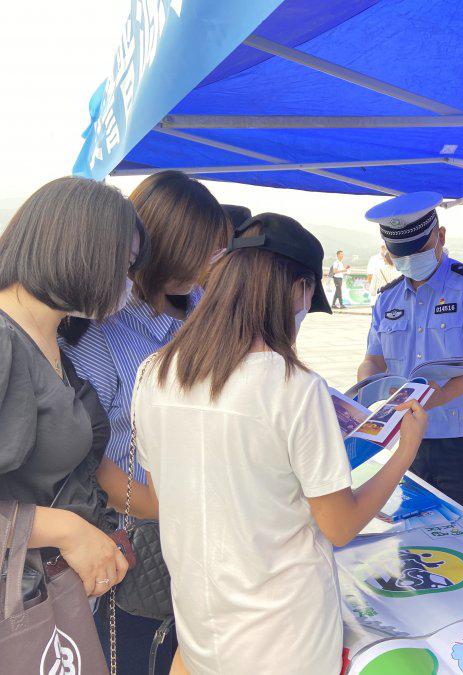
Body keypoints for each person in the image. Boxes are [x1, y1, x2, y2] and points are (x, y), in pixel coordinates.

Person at [132, 213, 428, 674]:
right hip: (283, 636)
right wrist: (404, 452)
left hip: (200, 621)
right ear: (298, 289)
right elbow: (340, 524)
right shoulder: (293, 387)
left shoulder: (155, 373)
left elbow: (162, 492)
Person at [61, 170, 230, 673]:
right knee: (137, 652)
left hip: (206, 528)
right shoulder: (101, 335)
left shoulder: (203, 310)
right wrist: (167, 507)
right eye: (205, 250)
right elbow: (82, 456)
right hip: (138, 535)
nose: (212, 263)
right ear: (170, 248)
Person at [0, 177, 143, 621]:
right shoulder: (6, 341)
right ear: (82, 251)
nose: (127, 283)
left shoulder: (53, 342)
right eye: (125, 265)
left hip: (45, 598)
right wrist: (65, 529)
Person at [358, 192, 463, 510]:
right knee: (411, 538)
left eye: (417, 249)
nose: (409, 260)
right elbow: (373, 360)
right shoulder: (388, 298)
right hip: (406, 440)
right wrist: (365, 390)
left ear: (440, 236)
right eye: (401, 254)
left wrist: (421, 403)